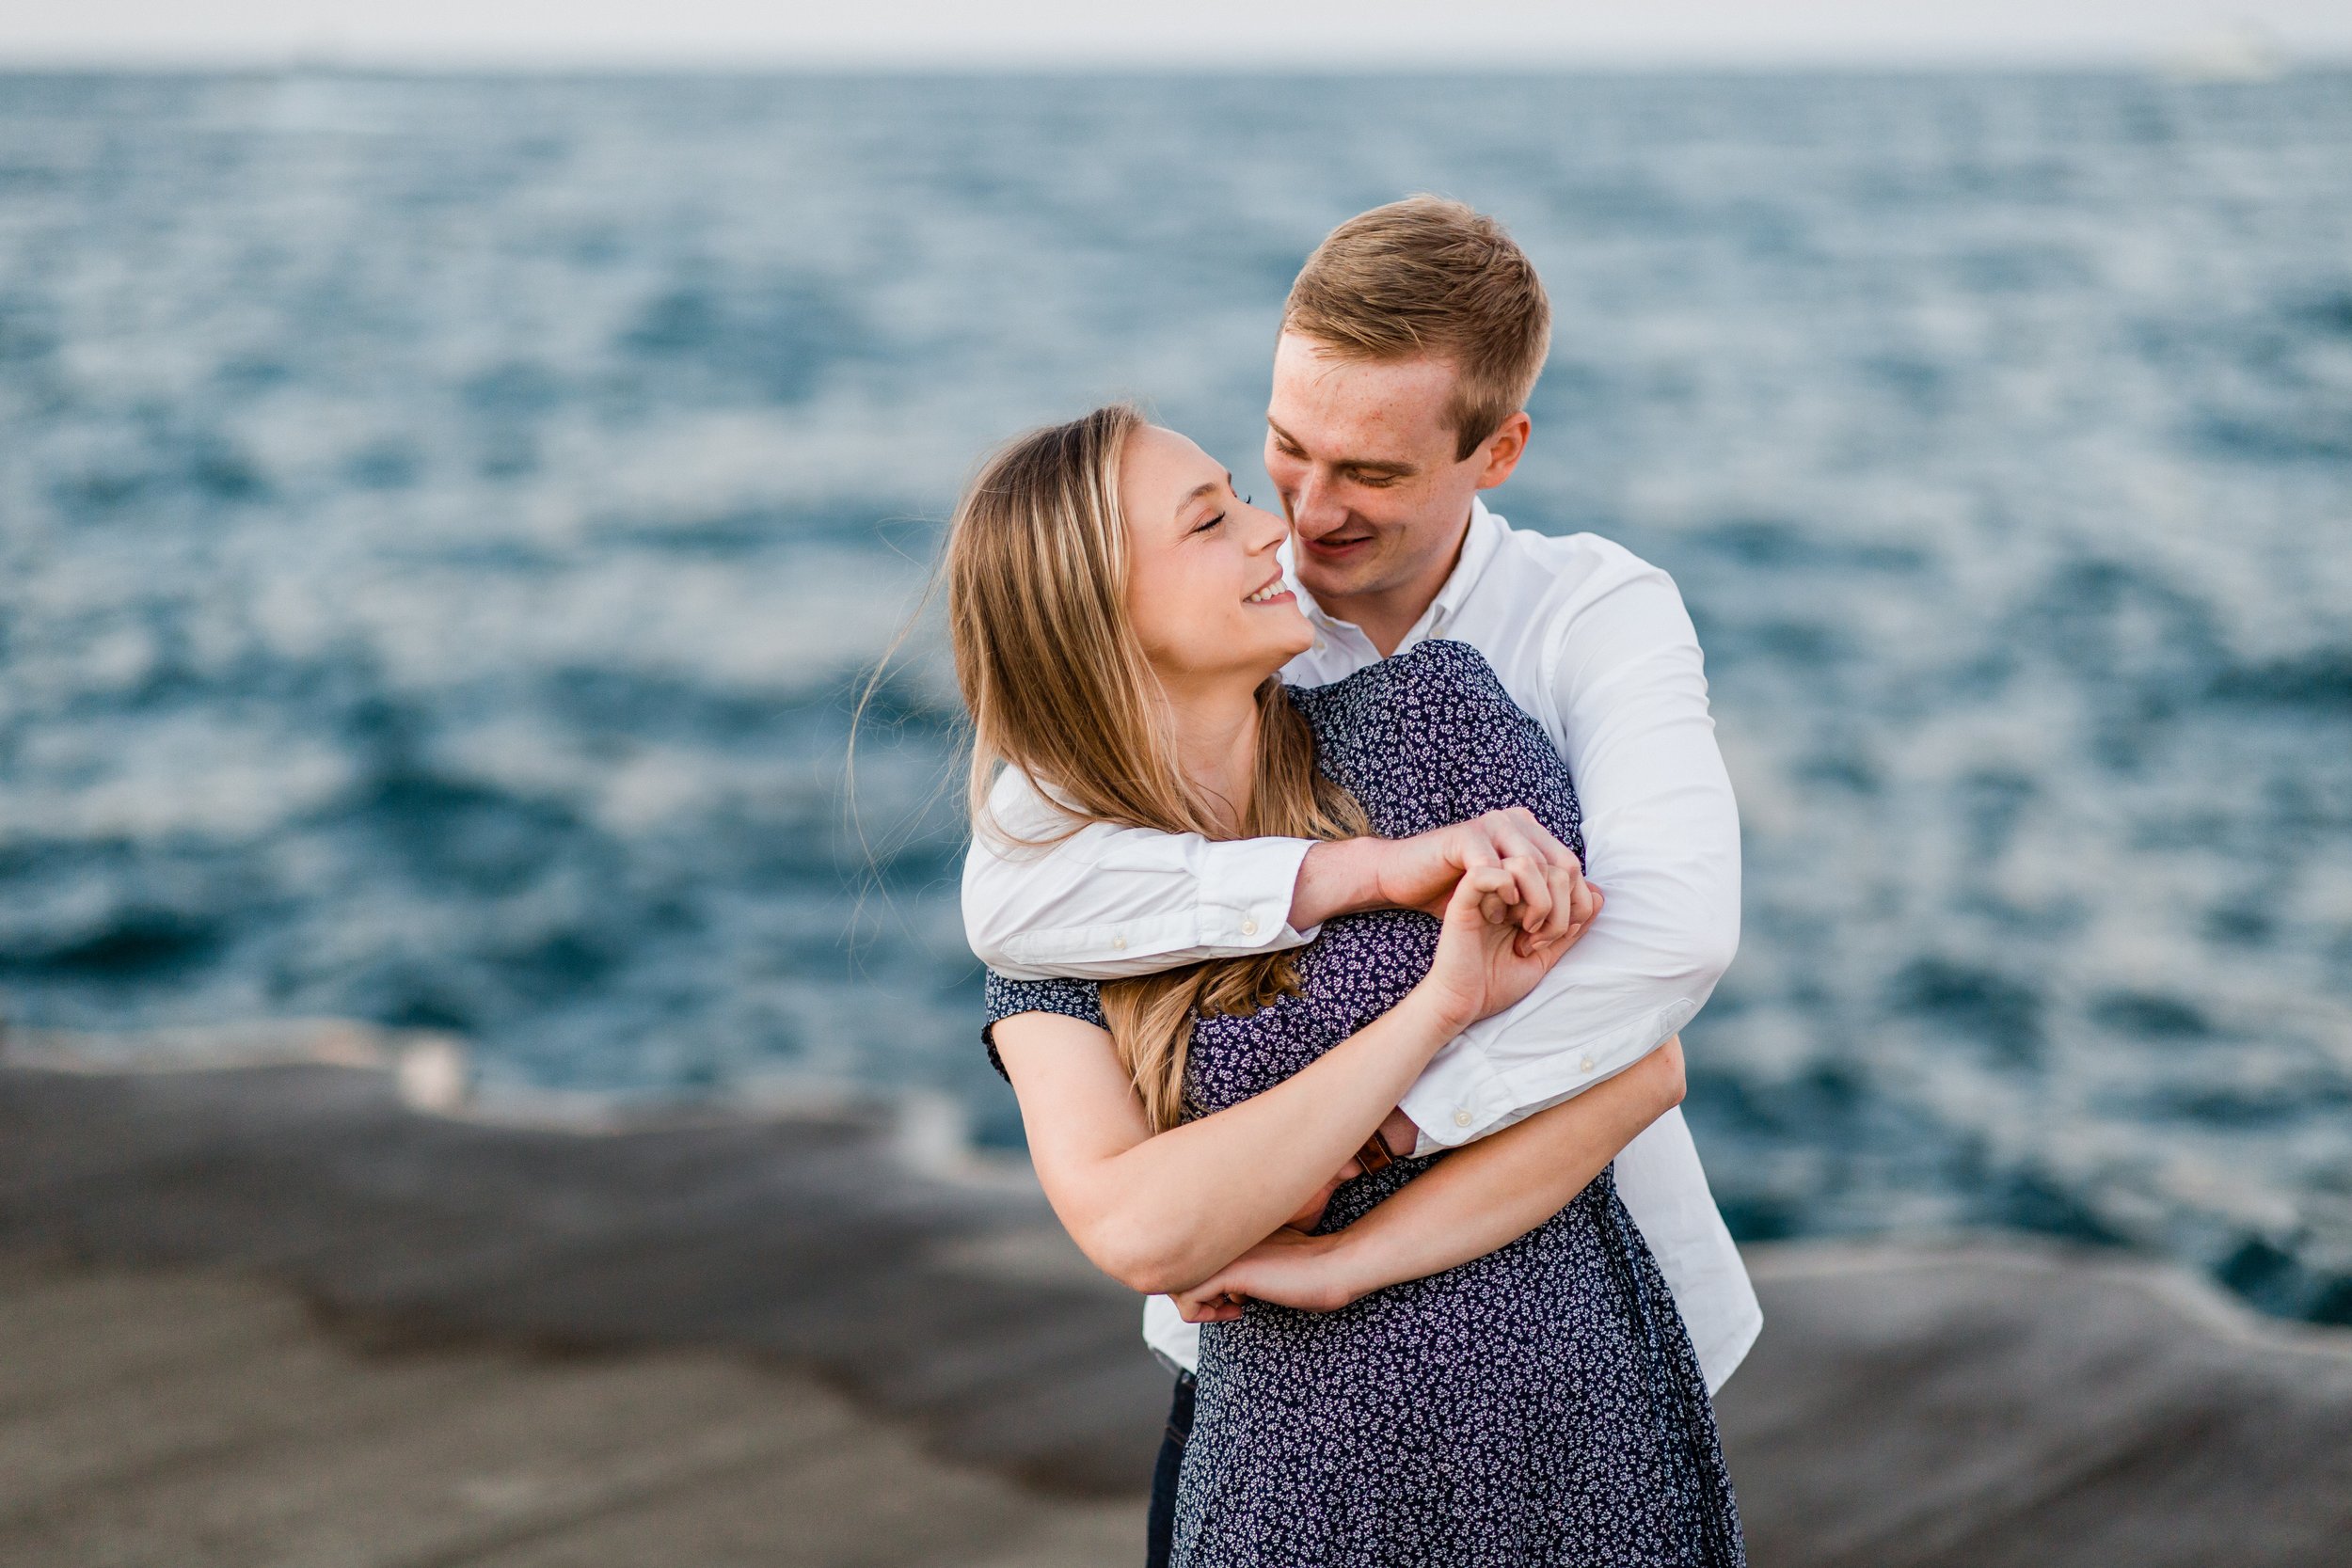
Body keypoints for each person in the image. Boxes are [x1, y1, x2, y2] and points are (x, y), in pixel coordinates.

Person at [962, 198, 1758, 1562]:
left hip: (1569, 1355)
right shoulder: (1218, 627)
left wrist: (1374, 1154)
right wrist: (1343, 874)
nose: (1304, 517)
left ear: (1496, 451)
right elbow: (1015, 902)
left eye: (1372, 474)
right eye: (1282, 450)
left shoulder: (1579, 621)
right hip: (1262, 1385)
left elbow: (1669, 954)